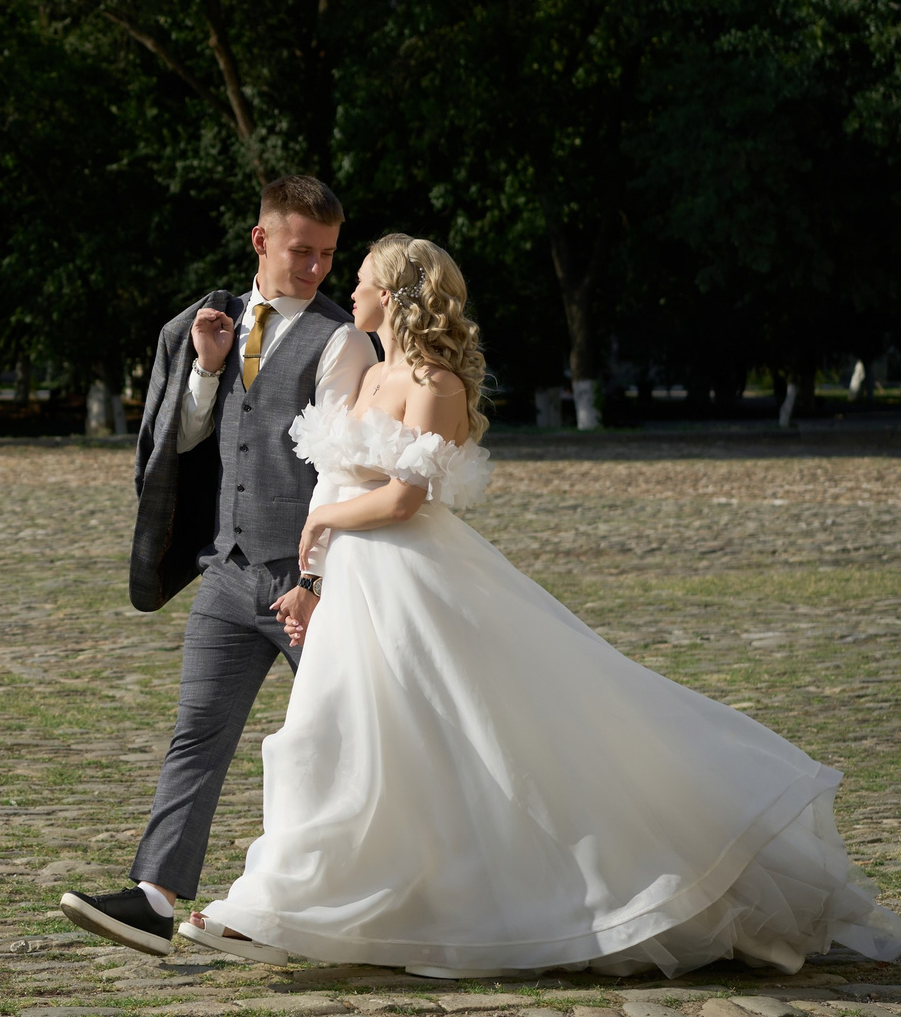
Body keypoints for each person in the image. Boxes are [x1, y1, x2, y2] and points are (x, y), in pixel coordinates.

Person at [180, 234, 901, 976]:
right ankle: (296, 906)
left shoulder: (435, 384)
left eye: (361, 279)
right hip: (353, 586)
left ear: (390, 297)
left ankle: (294, 910)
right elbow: (336, 479)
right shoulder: (368, 375)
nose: (350, 290)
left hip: (409, 585)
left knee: (390, 738)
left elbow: (402, 500)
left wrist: (324, 524)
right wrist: (311, 580)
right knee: (335, 739)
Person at [60, 175, 376, 956]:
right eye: (302, 251)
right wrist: (206, 367)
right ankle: (153, 899)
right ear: (261, 240)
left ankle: (351, 905)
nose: (316, 268)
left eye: (328, 254)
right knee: (197, 732)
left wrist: (314, 581)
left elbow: (341, 474)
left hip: (308, 584)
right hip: (228, 573)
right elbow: (190, 441)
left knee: (351, 743)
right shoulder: (217, 324)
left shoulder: (340, 340)